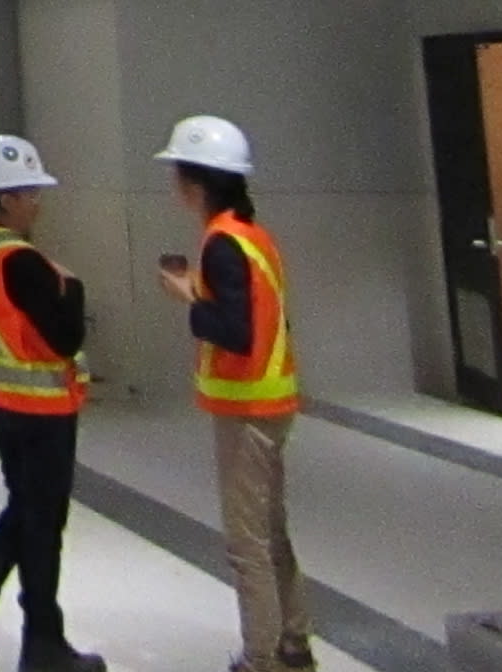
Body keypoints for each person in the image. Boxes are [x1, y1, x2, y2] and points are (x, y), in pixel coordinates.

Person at [0, 135, 104, 672]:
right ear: (5, 200)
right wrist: (73, 288)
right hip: (39, 409)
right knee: (40, 521)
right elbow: (63, 338)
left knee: (27, 512)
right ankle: (38, 643)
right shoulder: (19, 259)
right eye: (30, 191)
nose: (38, 201)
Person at [154, 116, 312, 672]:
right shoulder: (251, 236)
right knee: (271, 531)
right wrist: (201, 291)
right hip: (270, 402)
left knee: (248, 544)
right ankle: (293, 641)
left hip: (246, 407)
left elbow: (235, 329)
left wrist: (184, 297)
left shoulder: (223, 243)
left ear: (195, 184)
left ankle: (261, 657)